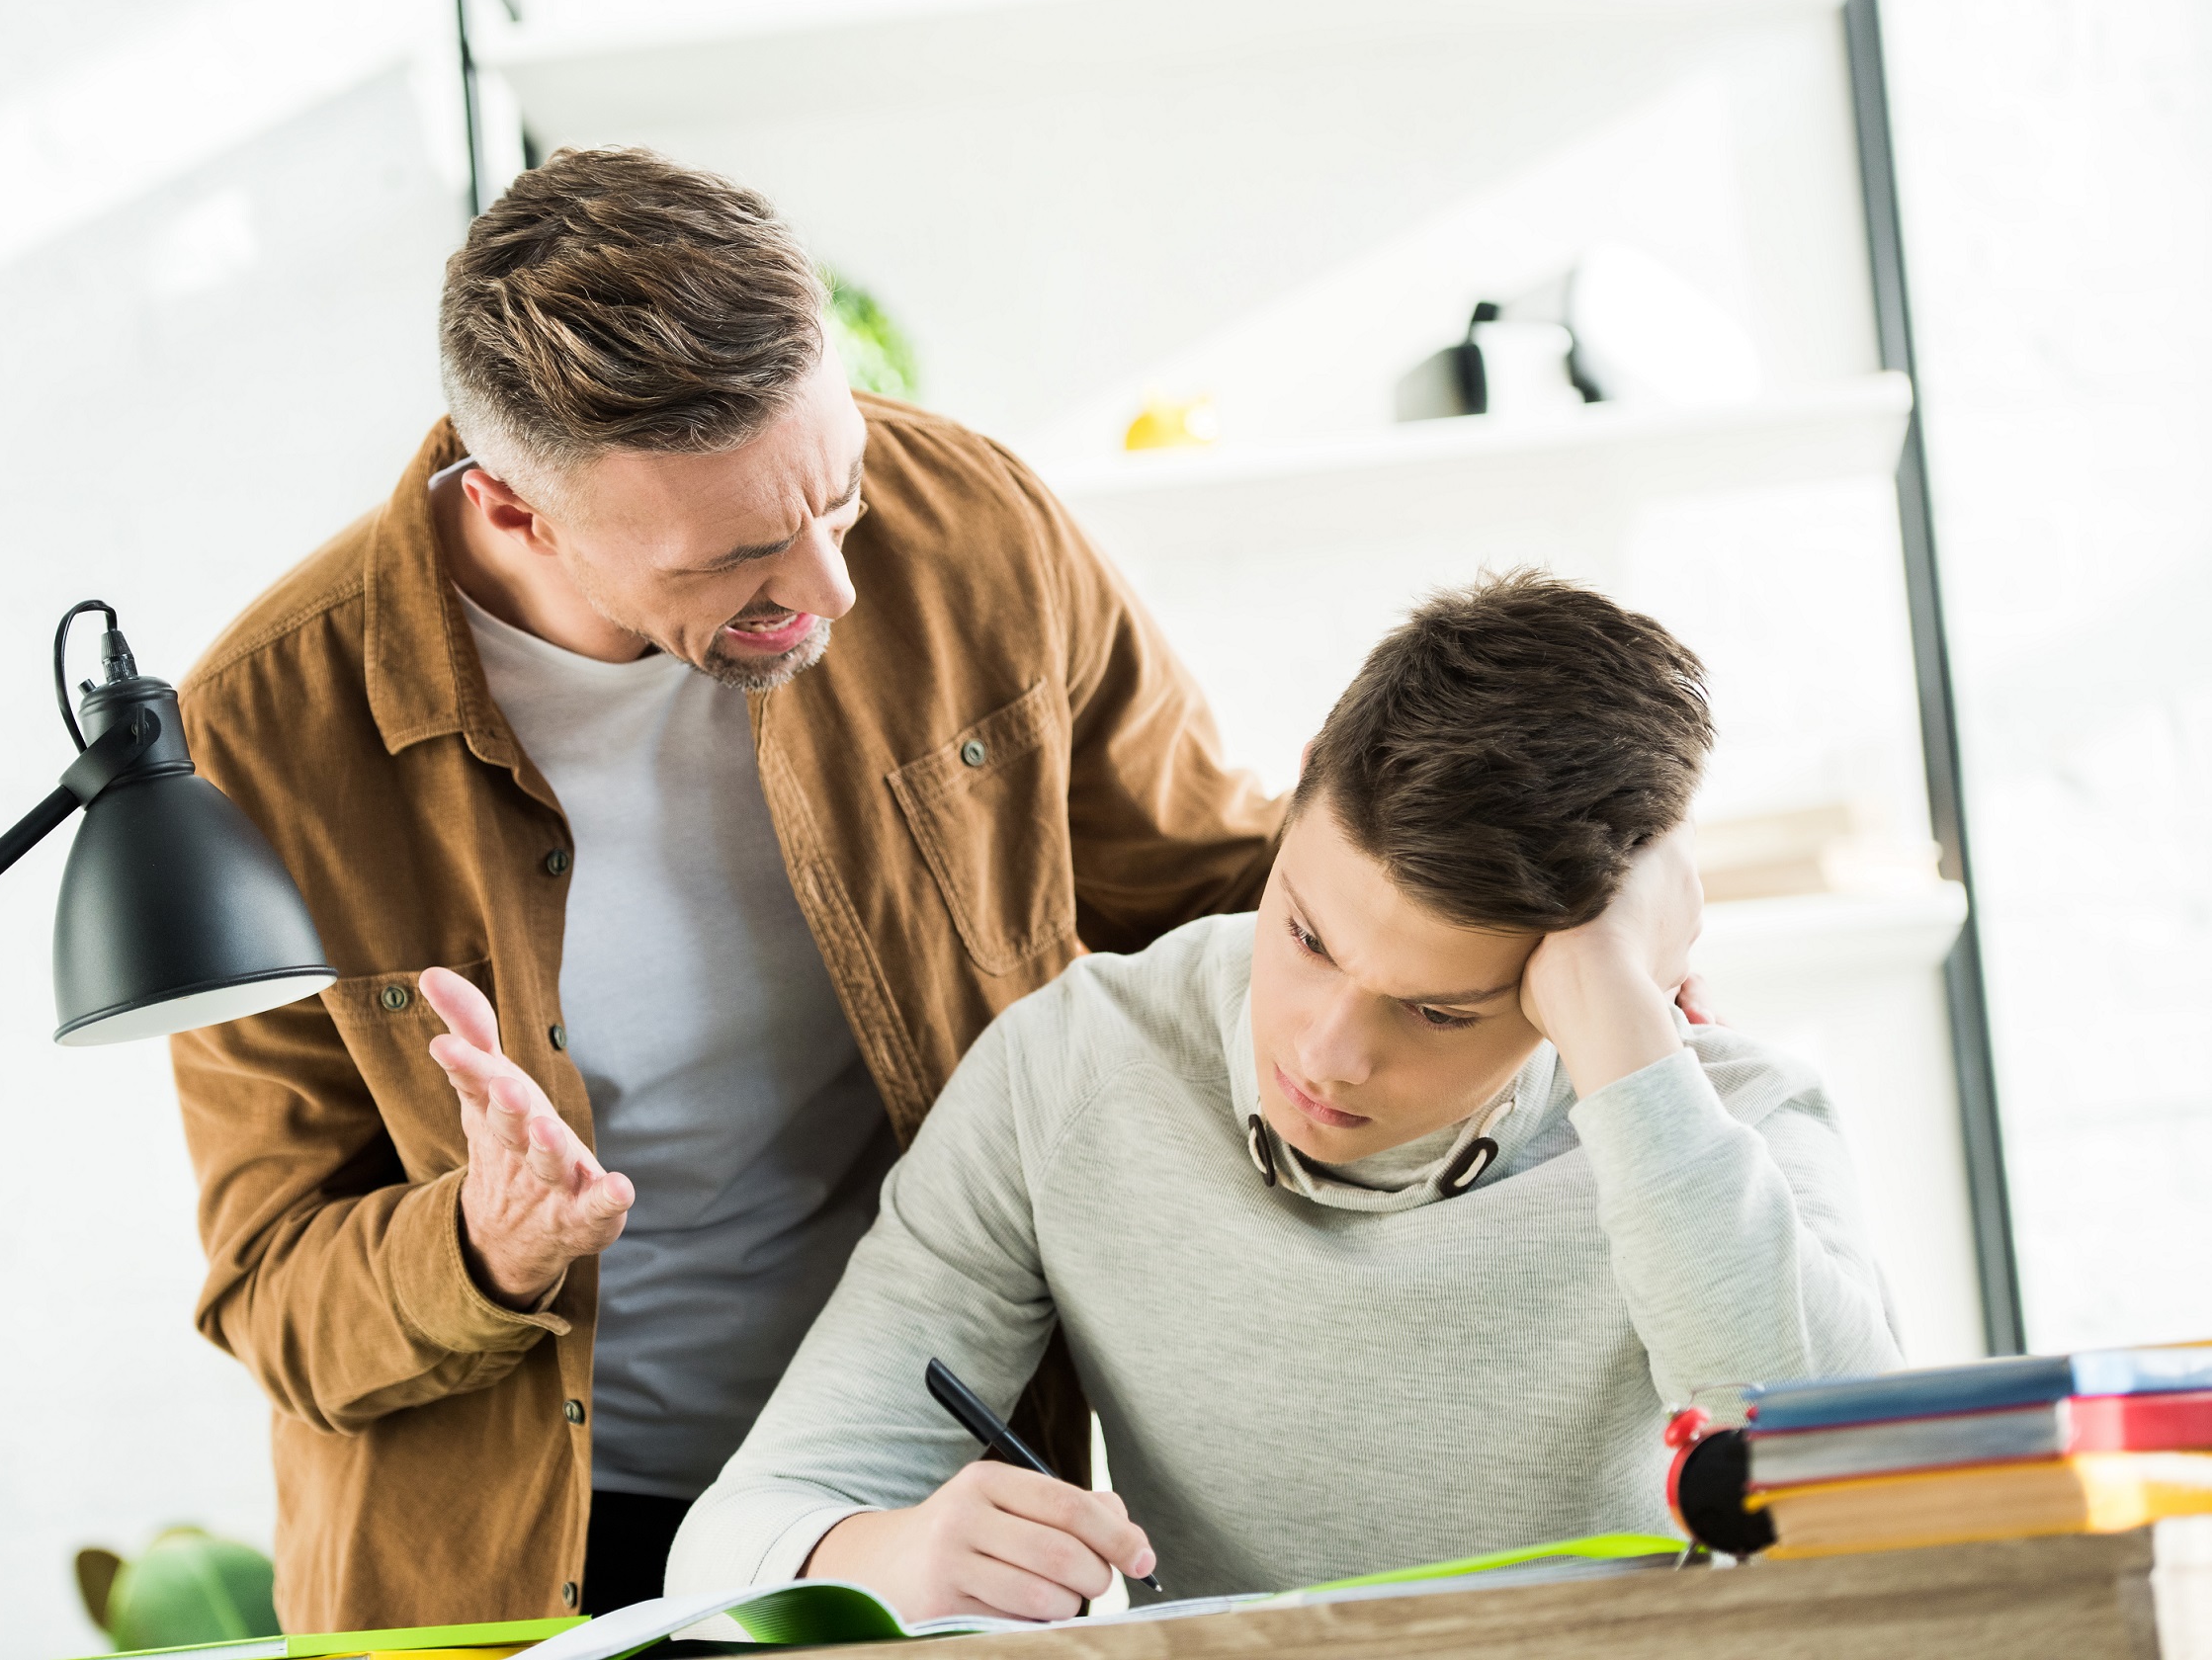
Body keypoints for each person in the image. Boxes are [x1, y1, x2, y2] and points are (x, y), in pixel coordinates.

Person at [167, 147, 1281, 1630]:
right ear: (512, 511)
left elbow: (1219, 895)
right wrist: (481, 1245)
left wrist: (1538, 931)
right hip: (530, 1556)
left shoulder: (976, 525)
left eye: (839, 494)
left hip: (930, 1480)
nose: (830, 591)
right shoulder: (262, 737)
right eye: (742, 555)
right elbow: (271, 1290)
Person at [665, 572, 1905, 1617]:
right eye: (1307, 936)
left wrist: (1627, 1039)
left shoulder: (1723, 1125)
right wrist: (875, 1556)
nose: (1327, 1052)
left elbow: (1857, 1500)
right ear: (1304, 781)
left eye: (1438, 1009)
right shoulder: (1075, 1066)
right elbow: (728, 1541)